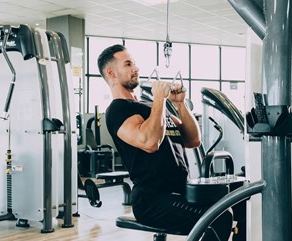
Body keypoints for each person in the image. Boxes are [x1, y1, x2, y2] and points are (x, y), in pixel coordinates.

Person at [98, 44, 232, 241]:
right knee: (219, 218)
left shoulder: (150, 107)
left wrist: (179, 103)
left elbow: (193, 139)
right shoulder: (118, 110)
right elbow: (150, 142)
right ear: (111, 73)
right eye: (128, 64)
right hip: (152, 200)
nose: (136, 68)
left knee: (231, 203)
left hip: (180, 190)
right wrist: (159, 100)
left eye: (135, 63)